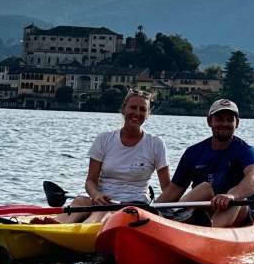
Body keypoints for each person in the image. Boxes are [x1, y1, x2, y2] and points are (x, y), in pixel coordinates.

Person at [42, 89, 170, 224]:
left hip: (135, 206)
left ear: (148, 114)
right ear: (123, 109)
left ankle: (83, 230)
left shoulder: (156, 144)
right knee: (81, 201)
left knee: (104, 211)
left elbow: (168, 190)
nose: (137, 113)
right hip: (102, 200)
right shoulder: (104, 139)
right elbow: (90, 181)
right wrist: (96, 195)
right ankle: (53, 225)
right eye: (133, 107)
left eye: (142, 109)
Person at [156, 98, 254, 228]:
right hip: (205, 208)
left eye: (229, 119)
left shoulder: (245, 151)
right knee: (204, 188)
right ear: (209, 121)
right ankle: (176, 222)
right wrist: (150, 211)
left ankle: (210, 232)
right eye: (219, 119)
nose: (224, 123)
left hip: (238, 210)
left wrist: (231, 195)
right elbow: (174, 189)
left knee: (238, 201)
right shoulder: (193, 152)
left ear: (237, 123)